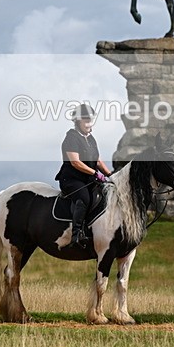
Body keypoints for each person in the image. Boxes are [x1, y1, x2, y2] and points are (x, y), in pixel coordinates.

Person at [55, 104, 112, 248]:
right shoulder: (71, 138)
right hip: (71, 179)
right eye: (85, 120)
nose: (89, 123)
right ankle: (76, 235)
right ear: (78, 121)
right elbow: (75, 162)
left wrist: (110, 175)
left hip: (88, 179)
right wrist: (95, 173)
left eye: (91, 120)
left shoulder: (91, 138)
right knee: (84, 198)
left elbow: (97, 160)